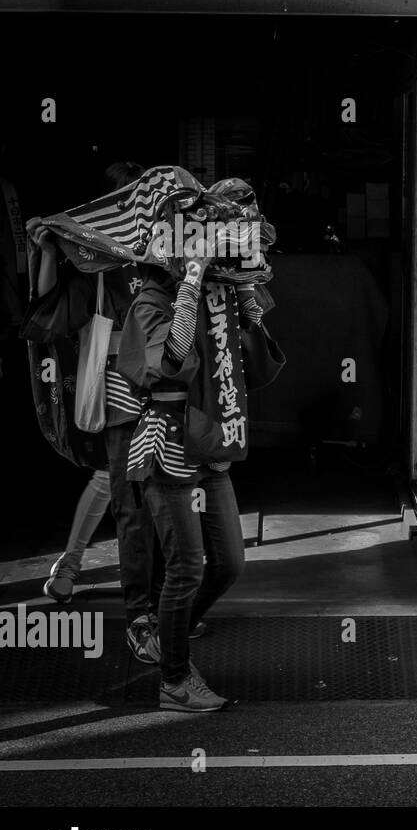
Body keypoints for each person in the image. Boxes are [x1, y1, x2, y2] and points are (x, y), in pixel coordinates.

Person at [116, 182, 284, 712]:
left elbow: (251, 370)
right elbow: (172, 360)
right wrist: (191, 281)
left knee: (228, 564)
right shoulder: (149, 299)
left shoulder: (222, 296)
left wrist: (249, 305)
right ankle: (173, 680)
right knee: (186, 567)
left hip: (209, 446)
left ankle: (172, 642)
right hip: (166, 447)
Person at [40, 162, 173, 661]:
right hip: (124, 387)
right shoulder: (98, 257)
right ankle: (144, 612)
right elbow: (52, 306)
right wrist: (50, 245)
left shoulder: (168, 249)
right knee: (130, 498)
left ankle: (166, 607)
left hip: (162, 384)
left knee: (162, 496)